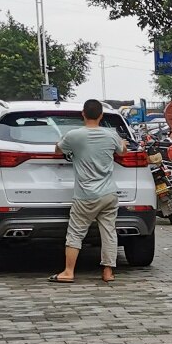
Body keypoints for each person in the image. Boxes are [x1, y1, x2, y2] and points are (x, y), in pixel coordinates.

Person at [52, 98, 121, 285]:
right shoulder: (111, 135)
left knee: (75, 232)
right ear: (101, 115)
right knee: (109, 231)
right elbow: (123, 151)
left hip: (85, 195)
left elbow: (58, 150)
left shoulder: (74, 136)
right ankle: (108, 272)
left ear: (83, 114)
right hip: (109, 194)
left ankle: (68, 272)